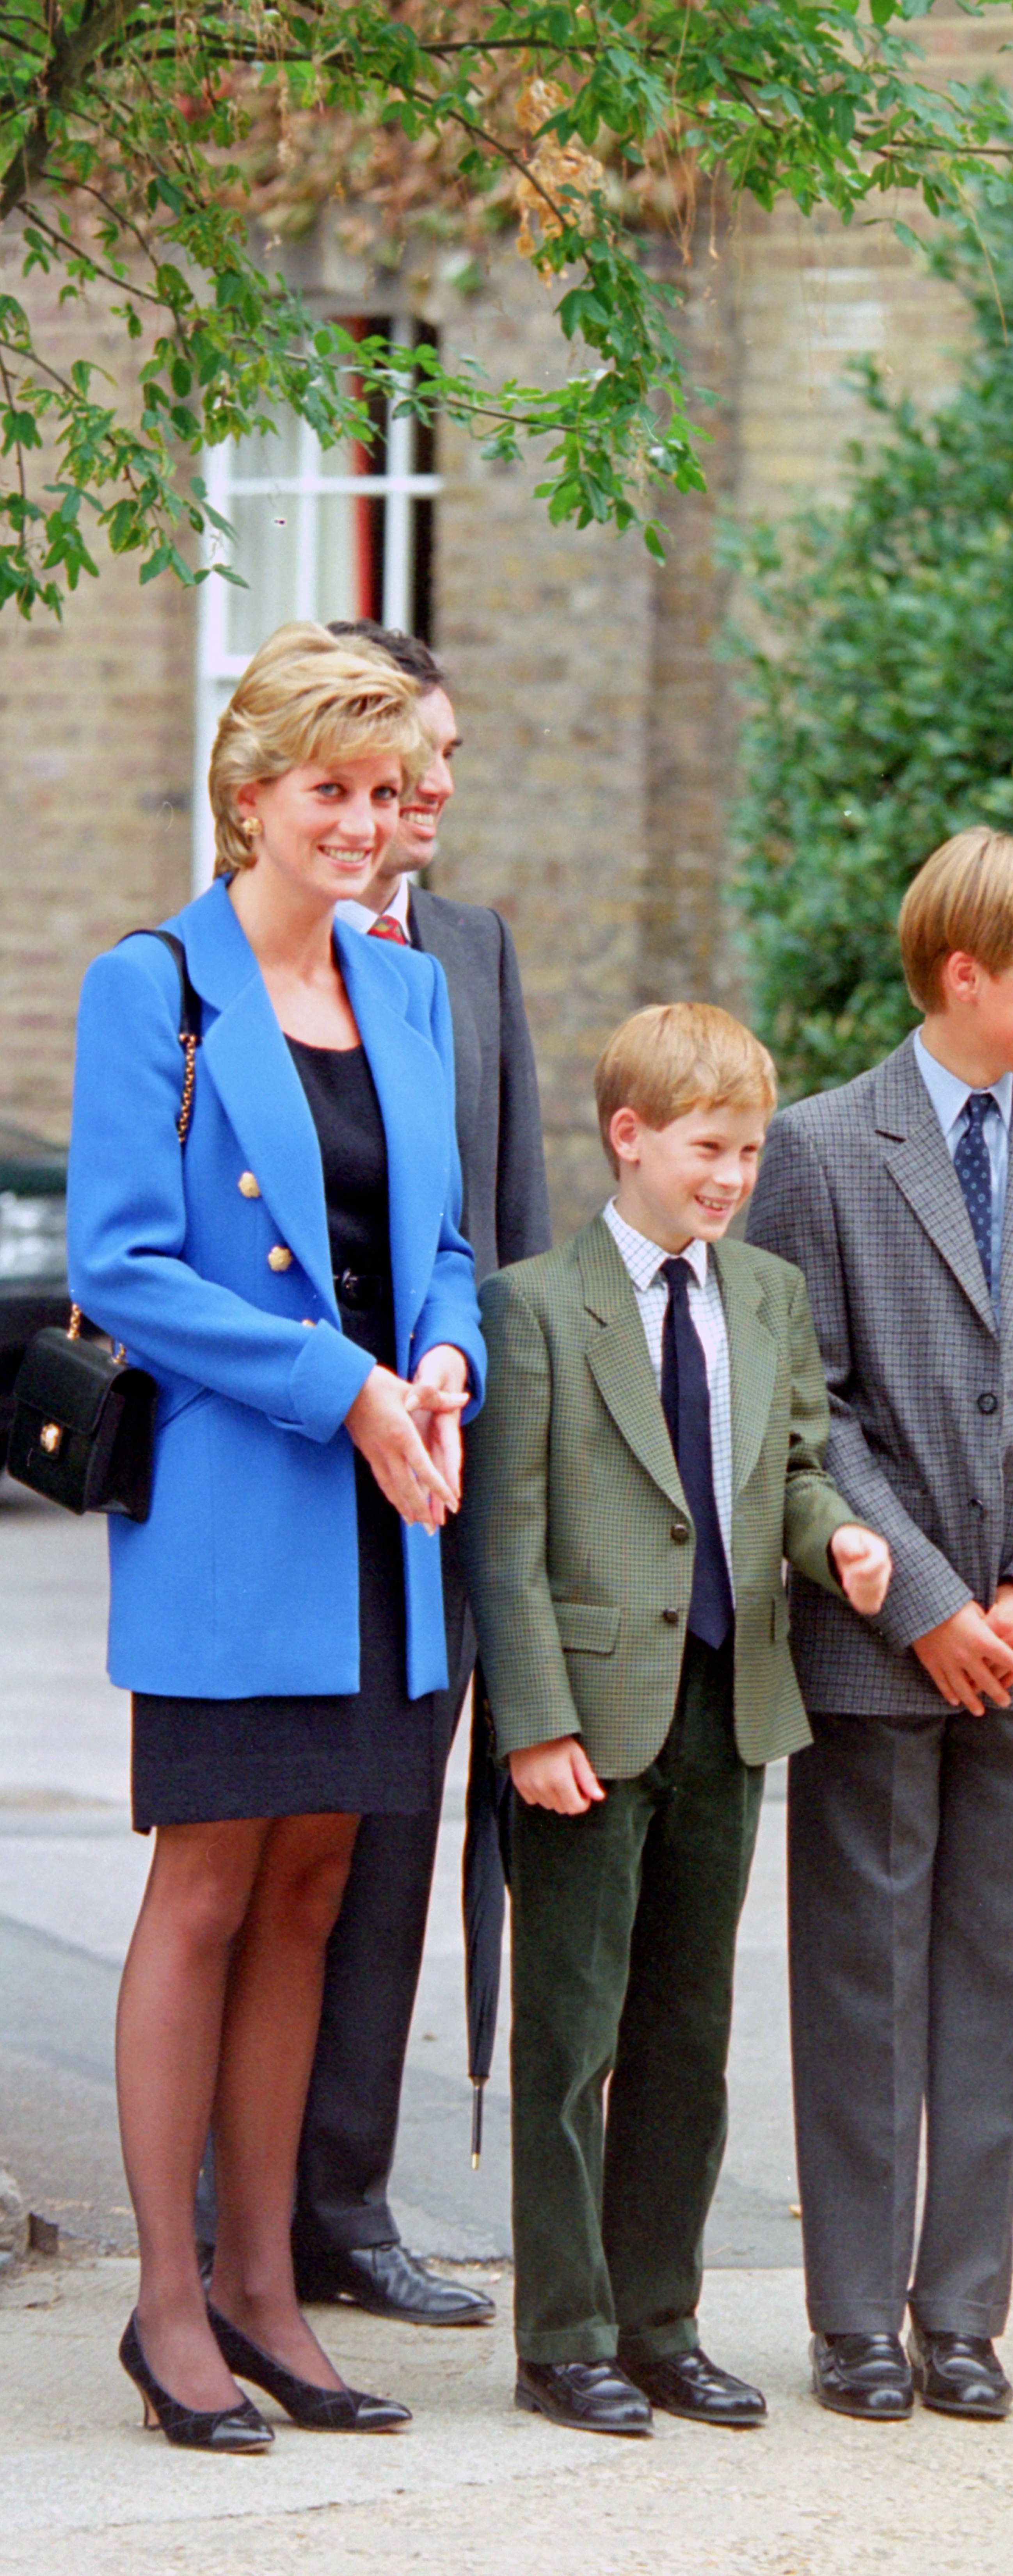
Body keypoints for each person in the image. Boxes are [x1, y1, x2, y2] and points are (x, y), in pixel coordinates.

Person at [67, 623, 487, 2449]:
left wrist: (450, 1357)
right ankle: (169, 2304)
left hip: (395, 1519)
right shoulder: (144, 984)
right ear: (252, 799)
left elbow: (449, 1246)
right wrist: (348, 1390)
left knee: (316, 1895)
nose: (365, 823)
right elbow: (122, 1267)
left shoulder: (411, 994)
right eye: (331, 789)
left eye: (386, 795)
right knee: (211, 1889)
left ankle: (264, 2293)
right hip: (249, 1511)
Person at [745, 829, 1013, 2424]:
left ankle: (963, 2314)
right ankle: (855, 2317)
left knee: (995, 1978)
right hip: (874, 1635)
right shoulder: (820, 1147)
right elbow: (810, 1404)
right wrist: (929, 1602)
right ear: (965, 975)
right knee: (861, 1980)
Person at [460, 1004, 894, 2437]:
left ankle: (663, 2322)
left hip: (730, 1702)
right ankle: (565, 2332)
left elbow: (798, 1465)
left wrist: (836, 1542)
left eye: (753, 1152)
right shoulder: (534, 1305)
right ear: (630, 1137)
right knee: (572, 2035)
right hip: (587, 1717)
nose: (732, 1177)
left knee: (686, 2037)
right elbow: (507, 1536)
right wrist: (532, 1720)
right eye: (710, 1148)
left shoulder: (764, 1294)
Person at [274, 619, 550, 2327]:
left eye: (434, 765)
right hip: (283, 1470)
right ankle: (230, 2212)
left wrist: (498, 1452)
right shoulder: (202, 965)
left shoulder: (471, 951)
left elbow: (500, 1233)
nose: (427, 793)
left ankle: (342, 2207)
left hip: (435, 1484)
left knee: (387, 1855)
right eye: (397, 762)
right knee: (254, 1858)